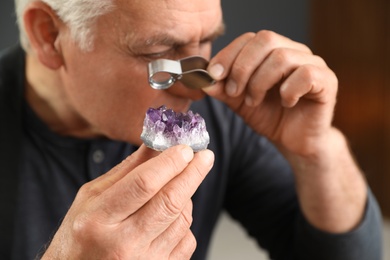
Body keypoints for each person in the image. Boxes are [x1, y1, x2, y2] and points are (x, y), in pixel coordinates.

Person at [0, 0, 383, 259]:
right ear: (49, 35)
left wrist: (317, 151)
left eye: (206, 41)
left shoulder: (220, 115)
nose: (196, 83)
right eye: (157, 55)